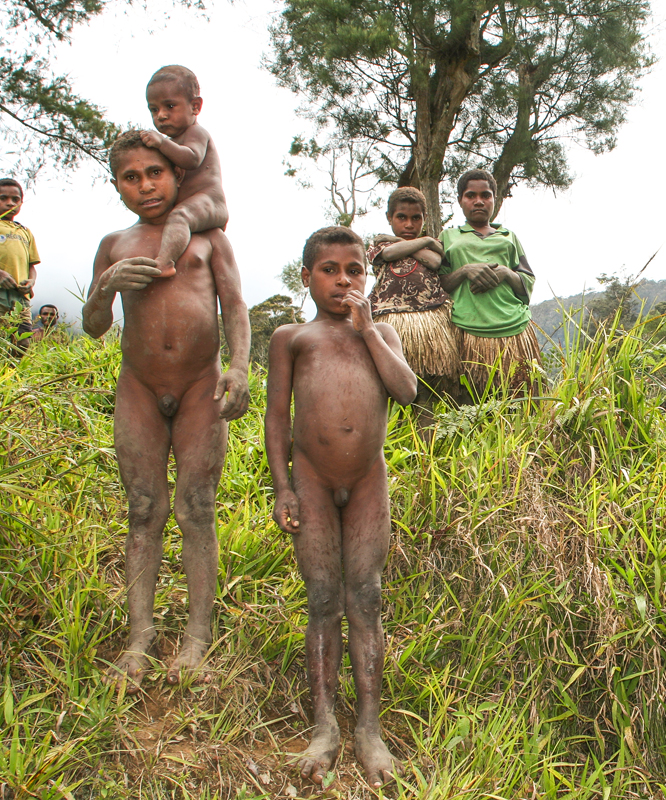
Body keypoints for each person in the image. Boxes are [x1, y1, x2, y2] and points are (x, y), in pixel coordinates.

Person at [82, 130, 250, 686]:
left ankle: (197, 639)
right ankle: (139, 640)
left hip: (201, 386)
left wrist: (239, 368)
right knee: (143, 509)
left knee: (197, 507)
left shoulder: (207, 241)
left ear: (179, 177)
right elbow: (95, 326)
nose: (145, 185)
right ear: (117, 187)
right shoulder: (115, 243)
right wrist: (105, 288)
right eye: (131, 177)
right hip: (140, 390)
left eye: (155, 173)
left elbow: (235, 307)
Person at [266, 227, 417, 788]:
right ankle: (325, 725)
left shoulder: (384, 334)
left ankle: (369, 729)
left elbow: (406, 391)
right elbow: (277, 419)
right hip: (310, 478)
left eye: (354, 270)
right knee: (323, 595)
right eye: (329, 270)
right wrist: (282, 487)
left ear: (367, 277)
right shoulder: (292, 337)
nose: (343, 281)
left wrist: (370, 330)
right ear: (307, 278)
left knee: (367, 596)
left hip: (367, 479)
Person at [439, 169, 539, 395]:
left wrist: (505, 272)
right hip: (467, 331)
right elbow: (437, 285)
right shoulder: (448, 237)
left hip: (513, 329)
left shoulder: (508, 237)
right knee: (468, 402)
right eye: (470, 195)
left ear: (495, 199)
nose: (479, 201)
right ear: (460, 200)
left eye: (486, 195)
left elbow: (527, 282)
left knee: (519, 402)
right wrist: (465, 270)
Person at [367, 186, 461, 409]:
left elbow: (435, 261)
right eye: (401, 217)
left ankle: (425, 440)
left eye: (415, 218)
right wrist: (421, 242)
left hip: (429, 326)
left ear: (424, 218)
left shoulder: (427, 245)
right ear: (389, 217)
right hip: (391, 323)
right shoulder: (380, 244)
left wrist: (423, 241)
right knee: (390, 387)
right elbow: (389, 254)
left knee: (427, 389)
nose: (409, 224)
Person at [141, 65, 227, 278]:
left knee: (179, 216)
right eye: (154, 109)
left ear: (195, 106)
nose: (161, 115)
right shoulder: (171, 143)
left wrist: (161, 143)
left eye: (170, 106)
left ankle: (164, 263)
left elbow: (192, 158)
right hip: (192, 207)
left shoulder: (195, 133)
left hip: (209, 203)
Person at [0, 178, 39, 357]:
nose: (10, 203)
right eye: (3, 198)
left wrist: (31, 281)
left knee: (22, 342)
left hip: (20, 298)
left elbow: (32, 265)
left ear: (21, 202)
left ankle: (11, 376)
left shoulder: (25, 232)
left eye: (15, 199)